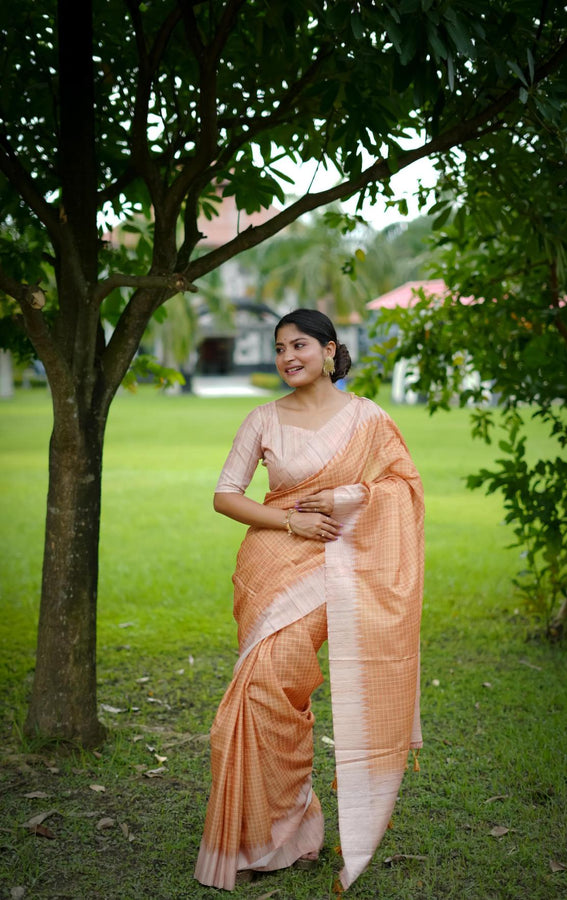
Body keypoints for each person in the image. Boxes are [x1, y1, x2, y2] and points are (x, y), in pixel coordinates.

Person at [195, 309, 424, 892]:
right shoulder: (263, 419)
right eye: (278, 348)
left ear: (329, 351)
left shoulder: (368, 419)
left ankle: (286, 829)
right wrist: (290, 522)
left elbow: (403, 487)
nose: (287, 357)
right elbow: (225, 496)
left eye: (299, 345)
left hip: (335, 572)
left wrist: (347, 494)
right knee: (256, 696)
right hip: (270, 564)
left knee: (279, 684)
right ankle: (271, 835)